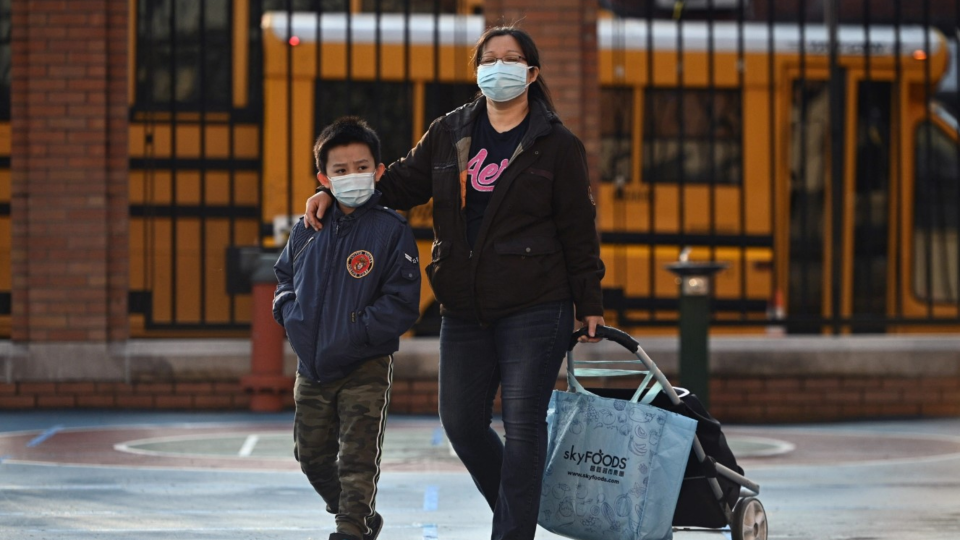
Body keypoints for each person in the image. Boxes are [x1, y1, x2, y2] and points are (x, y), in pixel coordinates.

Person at [303, 27, 605, 540]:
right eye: (491, 59)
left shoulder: (556, 146)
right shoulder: (451, 131)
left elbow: (579, 227)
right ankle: (519, 509)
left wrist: (589, 300)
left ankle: (511, 530)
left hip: (537, 301)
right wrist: (337, 194)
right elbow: (399, 182)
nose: (500, 67)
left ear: (531, 74)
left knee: (524, 423)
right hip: (464, 305)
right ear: (478, 70)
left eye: (512, 59)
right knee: (462, 423)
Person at [273, 116, 422, 540]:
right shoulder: (307, 229)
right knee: (311, 455)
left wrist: (359, 331)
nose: (351, 176)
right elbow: (284, 277)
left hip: (365, 363)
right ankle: (361, 517)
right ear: (324, 178)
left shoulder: (390, 230)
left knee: (358, 457)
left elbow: (402, 300)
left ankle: (351, 527)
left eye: (361, 167)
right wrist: (290, 314)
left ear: (378, 172)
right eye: (340, 170)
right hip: (313, 365)